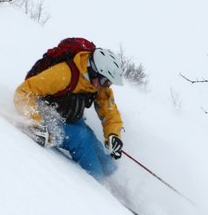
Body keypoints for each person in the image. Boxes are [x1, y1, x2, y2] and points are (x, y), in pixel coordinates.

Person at [14, 44, 125, 181]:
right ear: (94, 70)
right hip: (45, 115)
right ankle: (99, 188)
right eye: (104, 81)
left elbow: (110, 112)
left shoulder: (99, 85)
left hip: (69, 115)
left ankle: (112, 178)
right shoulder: (64, 74)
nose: (105, 86)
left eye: (109, 83)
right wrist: (35, 122)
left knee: (101, 153)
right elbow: (23, 91)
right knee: (83, 139)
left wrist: (113, 135)